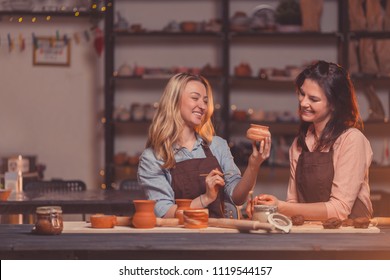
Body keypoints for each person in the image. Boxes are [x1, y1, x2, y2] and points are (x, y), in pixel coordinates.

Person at [248, 60, 373, 220]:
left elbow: (339, 209)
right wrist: (269, 208)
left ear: (334, 104)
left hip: (349, 236)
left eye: (313, 99)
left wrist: (280, 206)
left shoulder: (352, 140)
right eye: (302, 93)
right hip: (309, 235)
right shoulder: (299, 144)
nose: (303, 102)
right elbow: (293, 203)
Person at [137, 73, 271, 219]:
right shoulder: (153, 157)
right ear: (174, 101)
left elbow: (237, 198)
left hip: (217, 236)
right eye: (195, 98)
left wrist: (253, 165)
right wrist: (205, 198)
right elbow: (165, 213)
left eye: (205, 101)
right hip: (177, 239)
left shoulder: (217, 146)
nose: (202, 106)